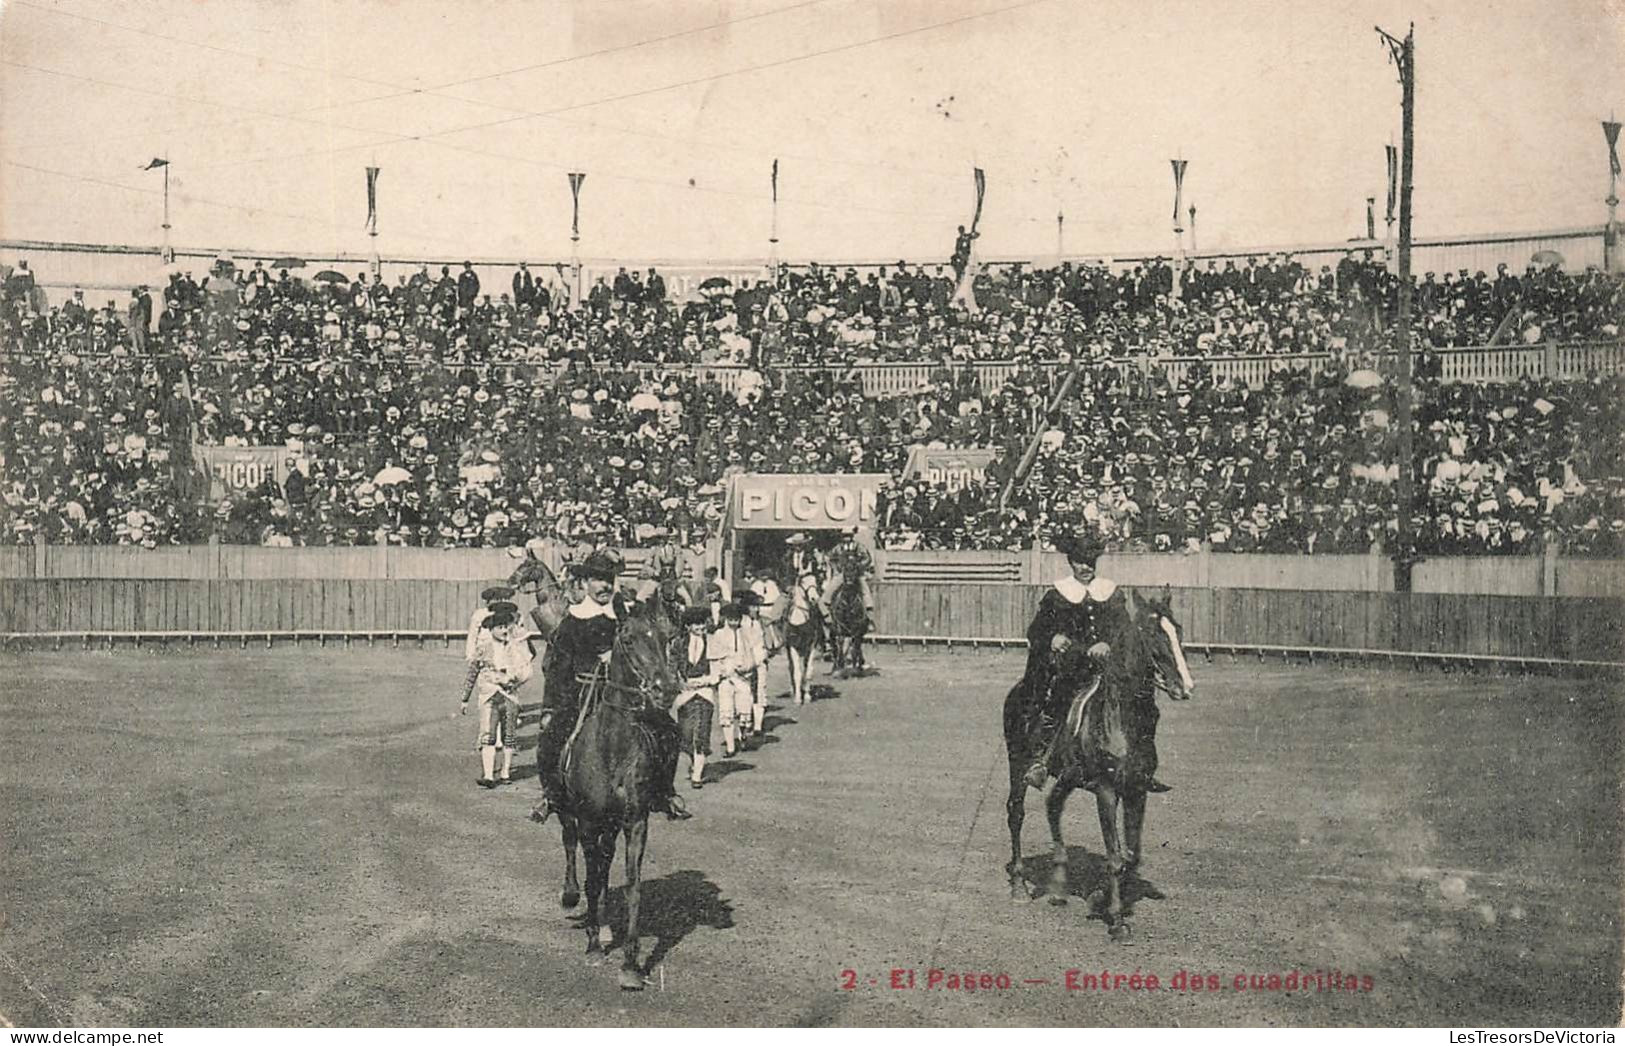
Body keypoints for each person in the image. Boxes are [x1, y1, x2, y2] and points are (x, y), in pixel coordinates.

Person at [531, 550, 690, 823]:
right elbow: (558, 669)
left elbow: (649, 645)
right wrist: (550, 707)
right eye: (597, 579)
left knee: (669, 730)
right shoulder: (572, 620)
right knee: (550, 736)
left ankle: (664, 793)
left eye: (609, 579)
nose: (604, 585)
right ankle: (552, 796)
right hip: (582, 694)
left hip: (626, 693)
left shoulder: (625, 616)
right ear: (585, 583)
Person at [1017, 532, 1171, 792]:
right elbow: (1036, 631)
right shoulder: (1057, 594)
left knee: (1144, 705)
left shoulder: (1110, 592)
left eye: (1090, 561)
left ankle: (1143, 766)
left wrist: (1108, 644)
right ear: (1071, 562)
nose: (1086, 567)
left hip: (1109, 666)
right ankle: (1041, 760)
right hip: (1072, 666)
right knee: (1059, 699)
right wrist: (1052, 637)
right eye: (1080, 561)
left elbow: (1124, 629)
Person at [470, 604, 533, 788]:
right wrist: (465, 698)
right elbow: (473, 671)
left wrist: (514, 680)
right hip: (490, 695)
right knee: (488, 734)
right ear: (491, 630)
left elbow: (527, 670)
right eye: (500, 627)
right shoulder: (484, 648)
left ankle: (505, 773)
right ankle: (489, 775)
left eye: (506, 626)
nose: (504, 630)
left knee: (509, 735)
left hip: (510, 696)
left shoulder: (516, 648)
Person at [671, 605, 719, 789]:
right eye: (696, 624)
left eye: (702, 623)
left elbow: (716, 672)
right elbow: (671, 666)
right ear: (688, 626)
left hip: (704, 693)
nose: (701, 627)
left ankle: (697, 775)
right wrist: (679, 683)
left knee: (701, 731)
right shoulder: (678, 643)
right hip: (684, 694)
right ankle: (695, 761)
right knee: (686, 733)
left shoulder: (712, 643)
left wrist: (703, 681)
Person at [458, 584, 516, 709]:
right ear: (488, 601)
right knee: (486, 682)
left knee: (508, 678)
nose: (496, 602)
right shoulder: (479, 614)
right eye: (493, 600)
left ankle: (509, 707)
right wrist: (470, 654)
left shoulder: (504, 615)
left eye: (499, 599)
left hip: (502, 649)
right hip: (484, 652)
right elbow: (472, 635)